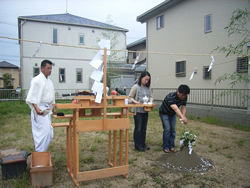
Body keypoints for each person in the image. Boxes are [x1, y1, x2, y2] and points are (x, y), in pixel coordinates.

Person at [26, 60, 57, 152]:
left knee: (49, 133)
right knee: (43, 133)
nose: (50, 70)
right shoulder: (36, 80)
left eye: (51, 68)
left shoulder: (49, 82)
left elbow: (51, 96)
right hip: (39, 108)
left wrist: (53, 107)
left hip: (47, 109)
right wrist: (36, 109)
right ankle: (40, 153)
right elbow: (33, 96)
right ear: (42, 68)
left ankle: (42, 153)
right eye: (48, 68)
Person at [159, 84, 190, 153]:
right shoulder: (171, 97)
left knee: (172, 129)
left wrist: (183, 116)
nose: (183, 97)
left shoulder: (184, 97)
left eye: (185, 95)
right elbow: (176, 109)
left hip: (172, 114)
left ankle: (171, 146)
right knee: (167, 129)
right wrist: (182, 117)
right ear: (178, 92)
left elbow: (183, 107)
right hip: (164, 113)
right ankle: (166, 146)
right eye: (182, 95)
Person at [128, 71, 153, 152]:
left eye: (148, 80)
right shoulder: (136, 87)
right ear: (141, 78)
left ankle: (143, 143)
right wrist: (136, 102)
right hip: (138, 111)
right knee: (138, 128)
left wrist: (151, 101)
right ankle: (138, 145)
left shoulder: (148, 87)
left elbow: (151, 96)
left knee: (144, 128)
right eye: (145, 79)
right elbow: (130, 98)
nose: (146, 81)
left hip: (145, 110)